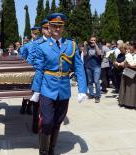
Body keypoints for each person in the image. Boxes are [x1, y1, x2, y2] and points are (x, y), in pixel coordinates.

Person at [31, 13, 87, 155]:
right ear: (49, 27)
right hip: (47, 88)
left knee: (57, 122)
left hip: (63, 89)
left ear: (63, 27)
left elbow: (79, 68)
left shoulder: (71, 45)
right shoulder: (42, 46)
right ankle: (43, 151)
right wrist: (36, 91)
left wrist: (82, 89)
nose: (57, 28)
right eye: (54, 25)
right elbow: (39, 70)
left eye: (60, 26)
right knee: (47, 121)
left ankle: (51, 150)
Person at [30, 19, 51, 134]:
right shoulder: (37, 43)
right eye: (46, 28)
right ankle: (34, 123)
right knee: (36, 104)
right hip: (39, 78)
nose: (49, 30)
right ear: (42, 30)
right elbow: (30, 60)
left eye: (50, 27)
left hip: (50, 79)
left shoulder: (56, 43)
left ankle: (46, 125)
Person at [84, 36, 102, 103]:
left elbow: (99, 53)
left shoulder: (99, 46)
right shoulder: (87, 46)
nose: (92, 41)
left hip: (97, 66)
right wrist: (85, 46)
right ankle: (91, 94)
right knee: (90, 81)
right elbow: (84, 54)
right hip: (88, 66)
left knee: (96, 81)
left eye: (94, 40)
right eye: (91, 40)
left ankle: (97, 96)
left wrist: (95, 45)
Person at [119, 41, 136, 108]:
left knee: (132, 89)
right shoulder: (129, 54)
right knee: (126, 88)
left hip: (133, 73)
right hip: (127, 72)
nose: (129, 47)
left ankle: (133, 104)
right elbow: (125, 62)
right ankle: (126, 102)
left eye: (130, 46)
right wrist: (123, 64)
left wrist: (130, 65)